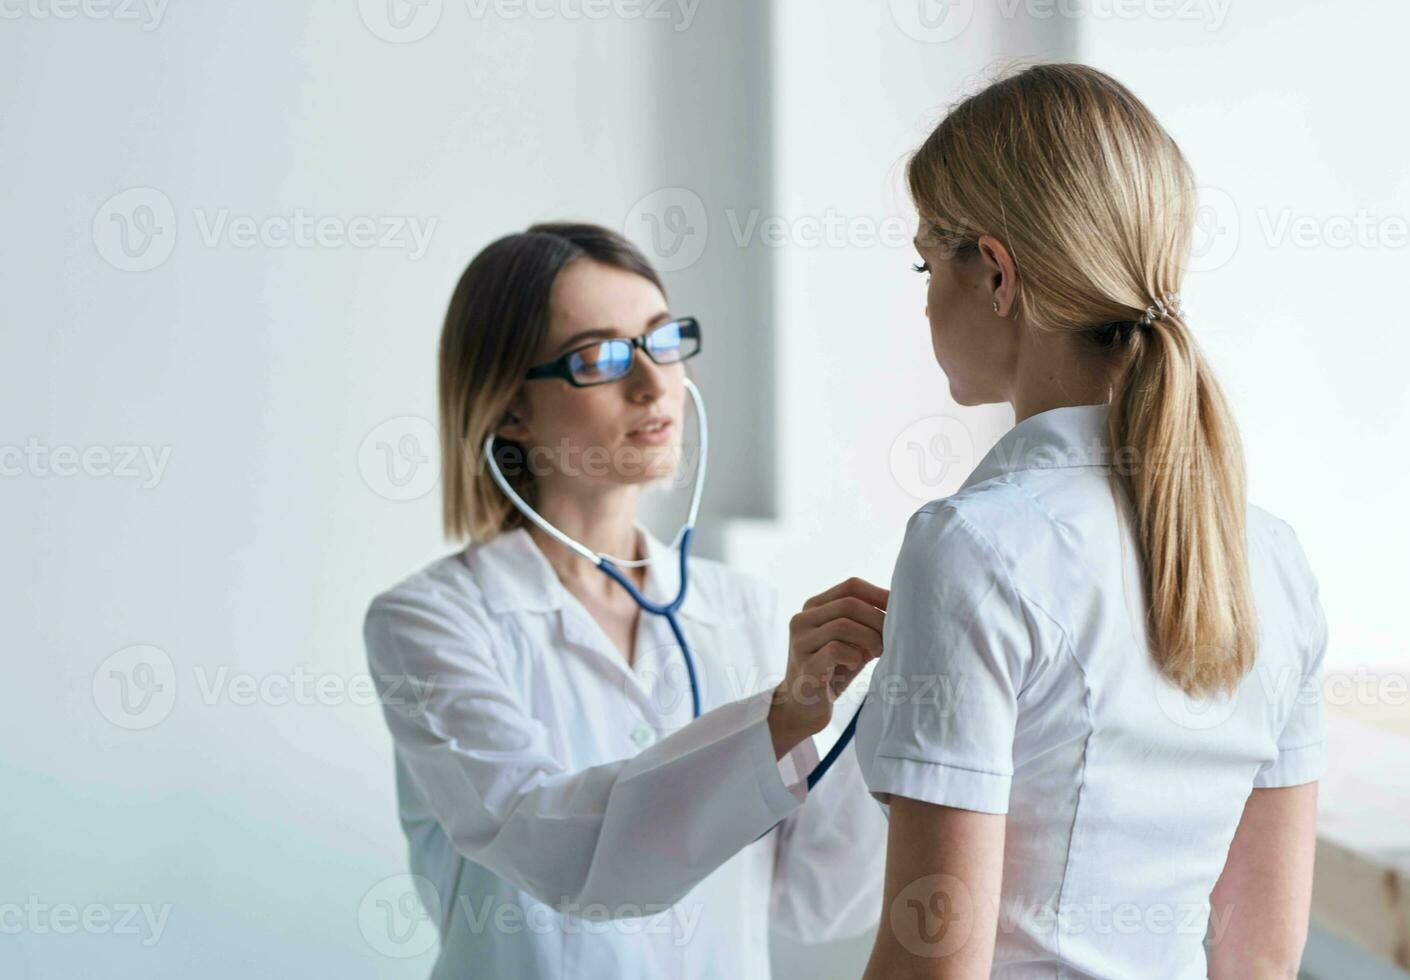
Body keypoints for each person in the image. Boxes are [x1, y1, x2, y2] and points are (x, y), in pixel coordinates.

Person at [855, 64, 1327, 979]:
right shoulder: (1272, 558)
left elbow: (931, 961)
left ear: (995, 273)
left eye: (926, 262)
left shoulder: (972, 549)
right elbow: (1263, 955)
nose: (921, 299)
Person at [364, 222, 888, 978]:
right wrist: (774, 722)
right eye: (599, 356)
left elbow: (818, 898)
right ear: (510, 410)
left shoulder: (737, 608)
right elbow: (563, 854)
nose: (651, 383)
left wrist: (882, 705)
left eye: (661, 340)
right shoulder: (432, 621)